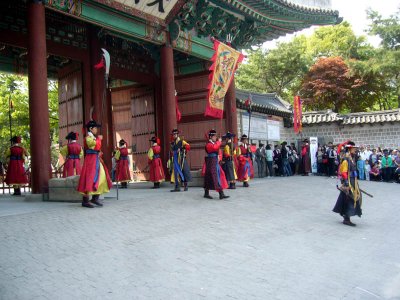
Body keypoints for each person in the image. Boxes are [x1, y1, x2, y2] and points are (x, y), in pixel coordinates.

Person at [77, 120, 112, 208]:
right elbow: (95, 146)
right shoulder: (88, 137)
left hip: (96, 159)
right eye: (95, 128)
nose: (96, 129)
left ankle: (95, 198)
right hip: (90, 161)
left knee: (102, 177)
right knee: (89, 178)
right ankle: (85, 201)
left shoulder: (93, 137)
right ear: (91, 128)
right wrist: (99, 139)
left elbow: (97, 147)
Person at [333, 141, 362, 226]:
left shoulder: (351, 158)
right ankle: (346, 218)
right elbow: (344, 172)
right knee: (349, 199)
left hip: (353, 181)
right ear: (349, 149)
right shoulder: (346, 160)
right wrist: (346, 183)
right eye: (353, 148)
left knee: (353, 198)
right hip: (349, 182)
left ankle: (347, 217)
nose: (355, 150)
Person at [203, 130, 229, 199]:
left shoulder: (213, 143)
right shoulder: (208, 144)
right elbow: (214, 147)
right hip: (211, 161)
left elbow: (217, 149)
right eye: (214, 136)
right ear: (211, 137)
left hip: (214, 161)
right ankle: (220, 193)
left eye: (215, 136)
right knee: (214, 176)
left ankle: (220, 193)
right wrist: (219, 141)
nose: (215, 137)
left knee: (218, 175)